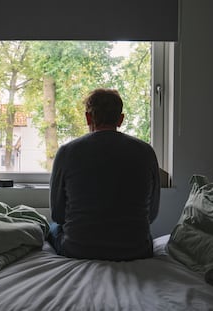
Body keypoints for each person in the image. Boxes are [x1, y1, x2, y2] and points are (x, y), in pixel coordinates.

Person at [48, 88, 160, 261]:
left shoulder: (67, 152)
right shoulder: (146, 152)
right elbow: (151, 214)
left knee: (52, 228)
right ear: (121, 119)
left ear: (88, 117)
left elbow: (58, 214)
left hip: (78, 249)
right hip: (136, 249)